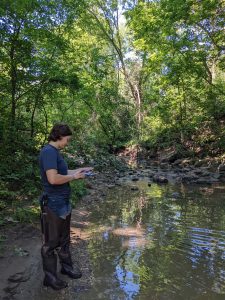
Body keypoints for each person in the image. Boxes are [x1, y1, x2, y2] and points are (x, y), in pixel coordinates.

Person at [39, 123, 92, 290]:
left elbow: (63, 172)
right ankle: (50, 278)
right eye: (67, 140)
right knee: (51, 242)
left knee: (64, 239)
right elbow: (53, 179)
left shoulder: (55, 152)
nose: (67, 143)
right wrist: (75, 177)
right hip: (54, 202)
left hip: (63, 200)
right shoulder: (48, 152)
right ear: (59, 137)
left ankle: (66, 268)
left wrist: (78, 170)